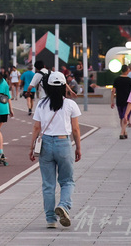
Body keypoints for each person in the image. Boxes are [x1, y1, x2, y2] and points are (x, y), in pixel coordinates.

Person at [29, 71, 82, 229]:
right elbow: (76, 129)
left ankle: (50, 219)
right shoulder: (70, 104)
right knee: (67, 181)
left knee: (48, 184)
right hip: (63, 143)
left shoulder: (41, 104)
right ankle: (64, 206)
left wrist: (31, 147)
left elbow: (36, 127)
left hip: (45, 145)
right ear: (64, 86)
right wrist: (78, 147)